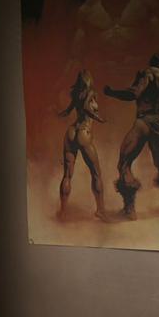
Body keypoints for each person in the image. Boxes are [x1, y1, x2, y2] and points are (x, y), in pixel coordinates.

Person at [104, 53, 159, 220]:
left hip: (143, 123)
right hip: (158, 124)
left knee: (124, 164)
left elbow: (134, 94)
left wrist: (111, 92)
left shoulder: (148, 74)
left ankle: (129, 210)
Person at [57, 70, 106, 220]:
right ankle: (101, 211)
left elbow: (68, 110)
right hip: (83, 132)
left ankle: (63, 212)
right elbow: (86, 107)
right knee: (96, 173)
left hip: (71, 132)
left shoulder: (76, 94)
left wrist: (61, 113)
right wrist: (98, 118)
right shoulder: (90, 92)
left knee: (67, 175)